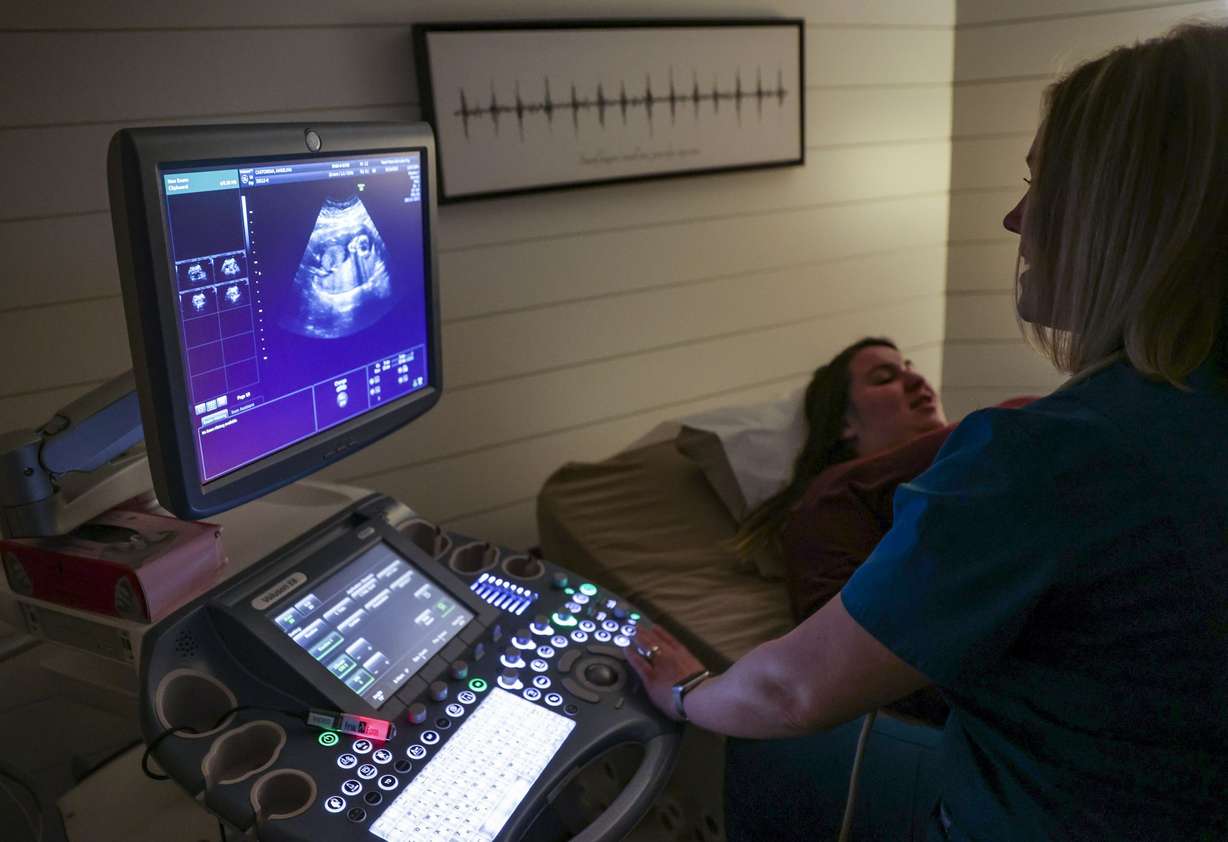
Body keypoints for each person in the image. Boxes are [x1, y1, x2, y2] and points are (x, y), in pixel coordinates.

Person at [625, 21, 1228, 841]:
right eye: (880, 375)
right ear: (838, 425)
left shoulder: (1042, 455)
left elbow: (790, 692)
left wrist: (686, 691)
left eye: (1040, 183)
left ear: (1124, 215)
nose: (1017, 219)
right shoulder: (874, 490)